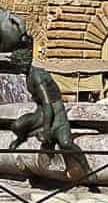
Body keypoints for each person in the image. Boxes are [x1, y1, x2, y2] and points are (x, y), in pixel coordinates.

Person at [9, 35, 92, 184]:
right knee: (17, 125)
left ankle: (87, 169)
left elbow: (48, 104)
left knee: (65, 143)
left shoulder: (37, 77)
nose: (16, 68)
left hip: (57, 112)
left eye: (17, 65)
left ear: (23, 63)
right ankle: (23, 137)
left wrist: (47, 129)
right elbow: (43, 106)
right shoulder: (28, 74)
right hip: (42, 112)